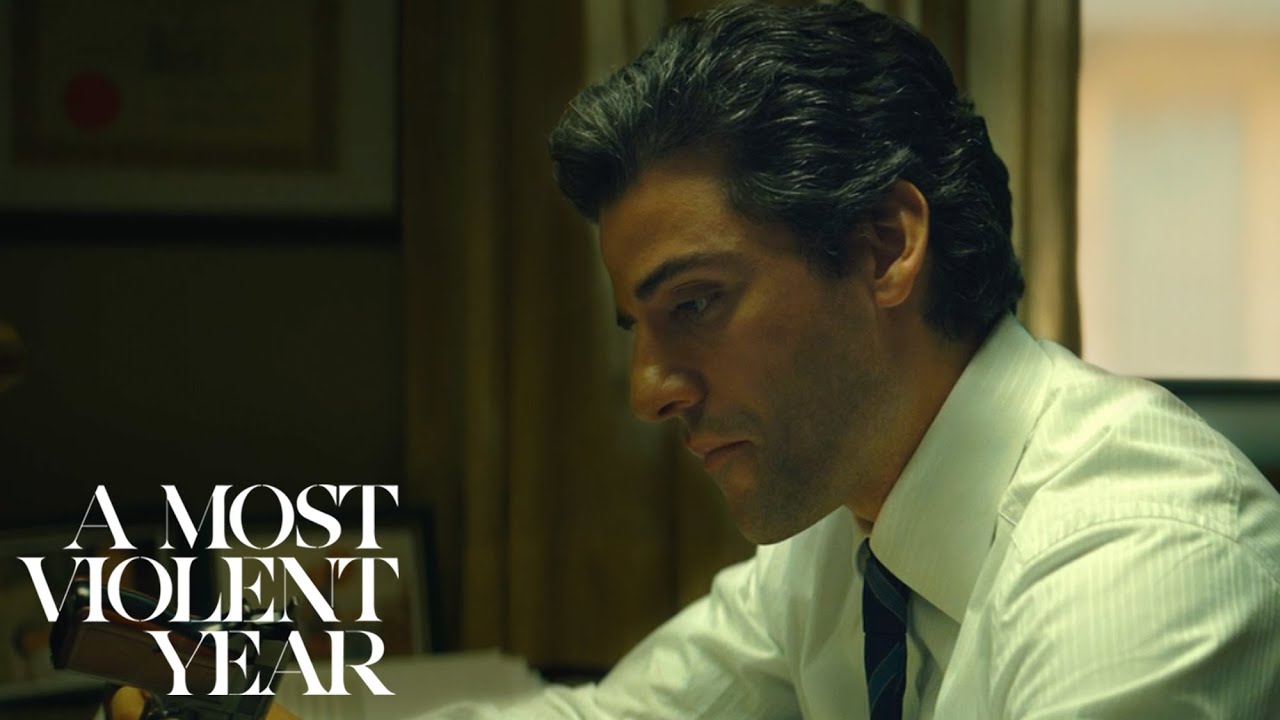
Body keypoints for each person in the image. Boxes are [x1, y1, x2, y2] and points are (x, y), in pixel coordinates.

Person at [111, 1, 1280, 717]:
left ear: (884, 246)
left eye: (696, 304)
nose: (647, 392)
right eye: (637, 327)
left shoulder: (1138, 562)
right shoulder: (844, 528)